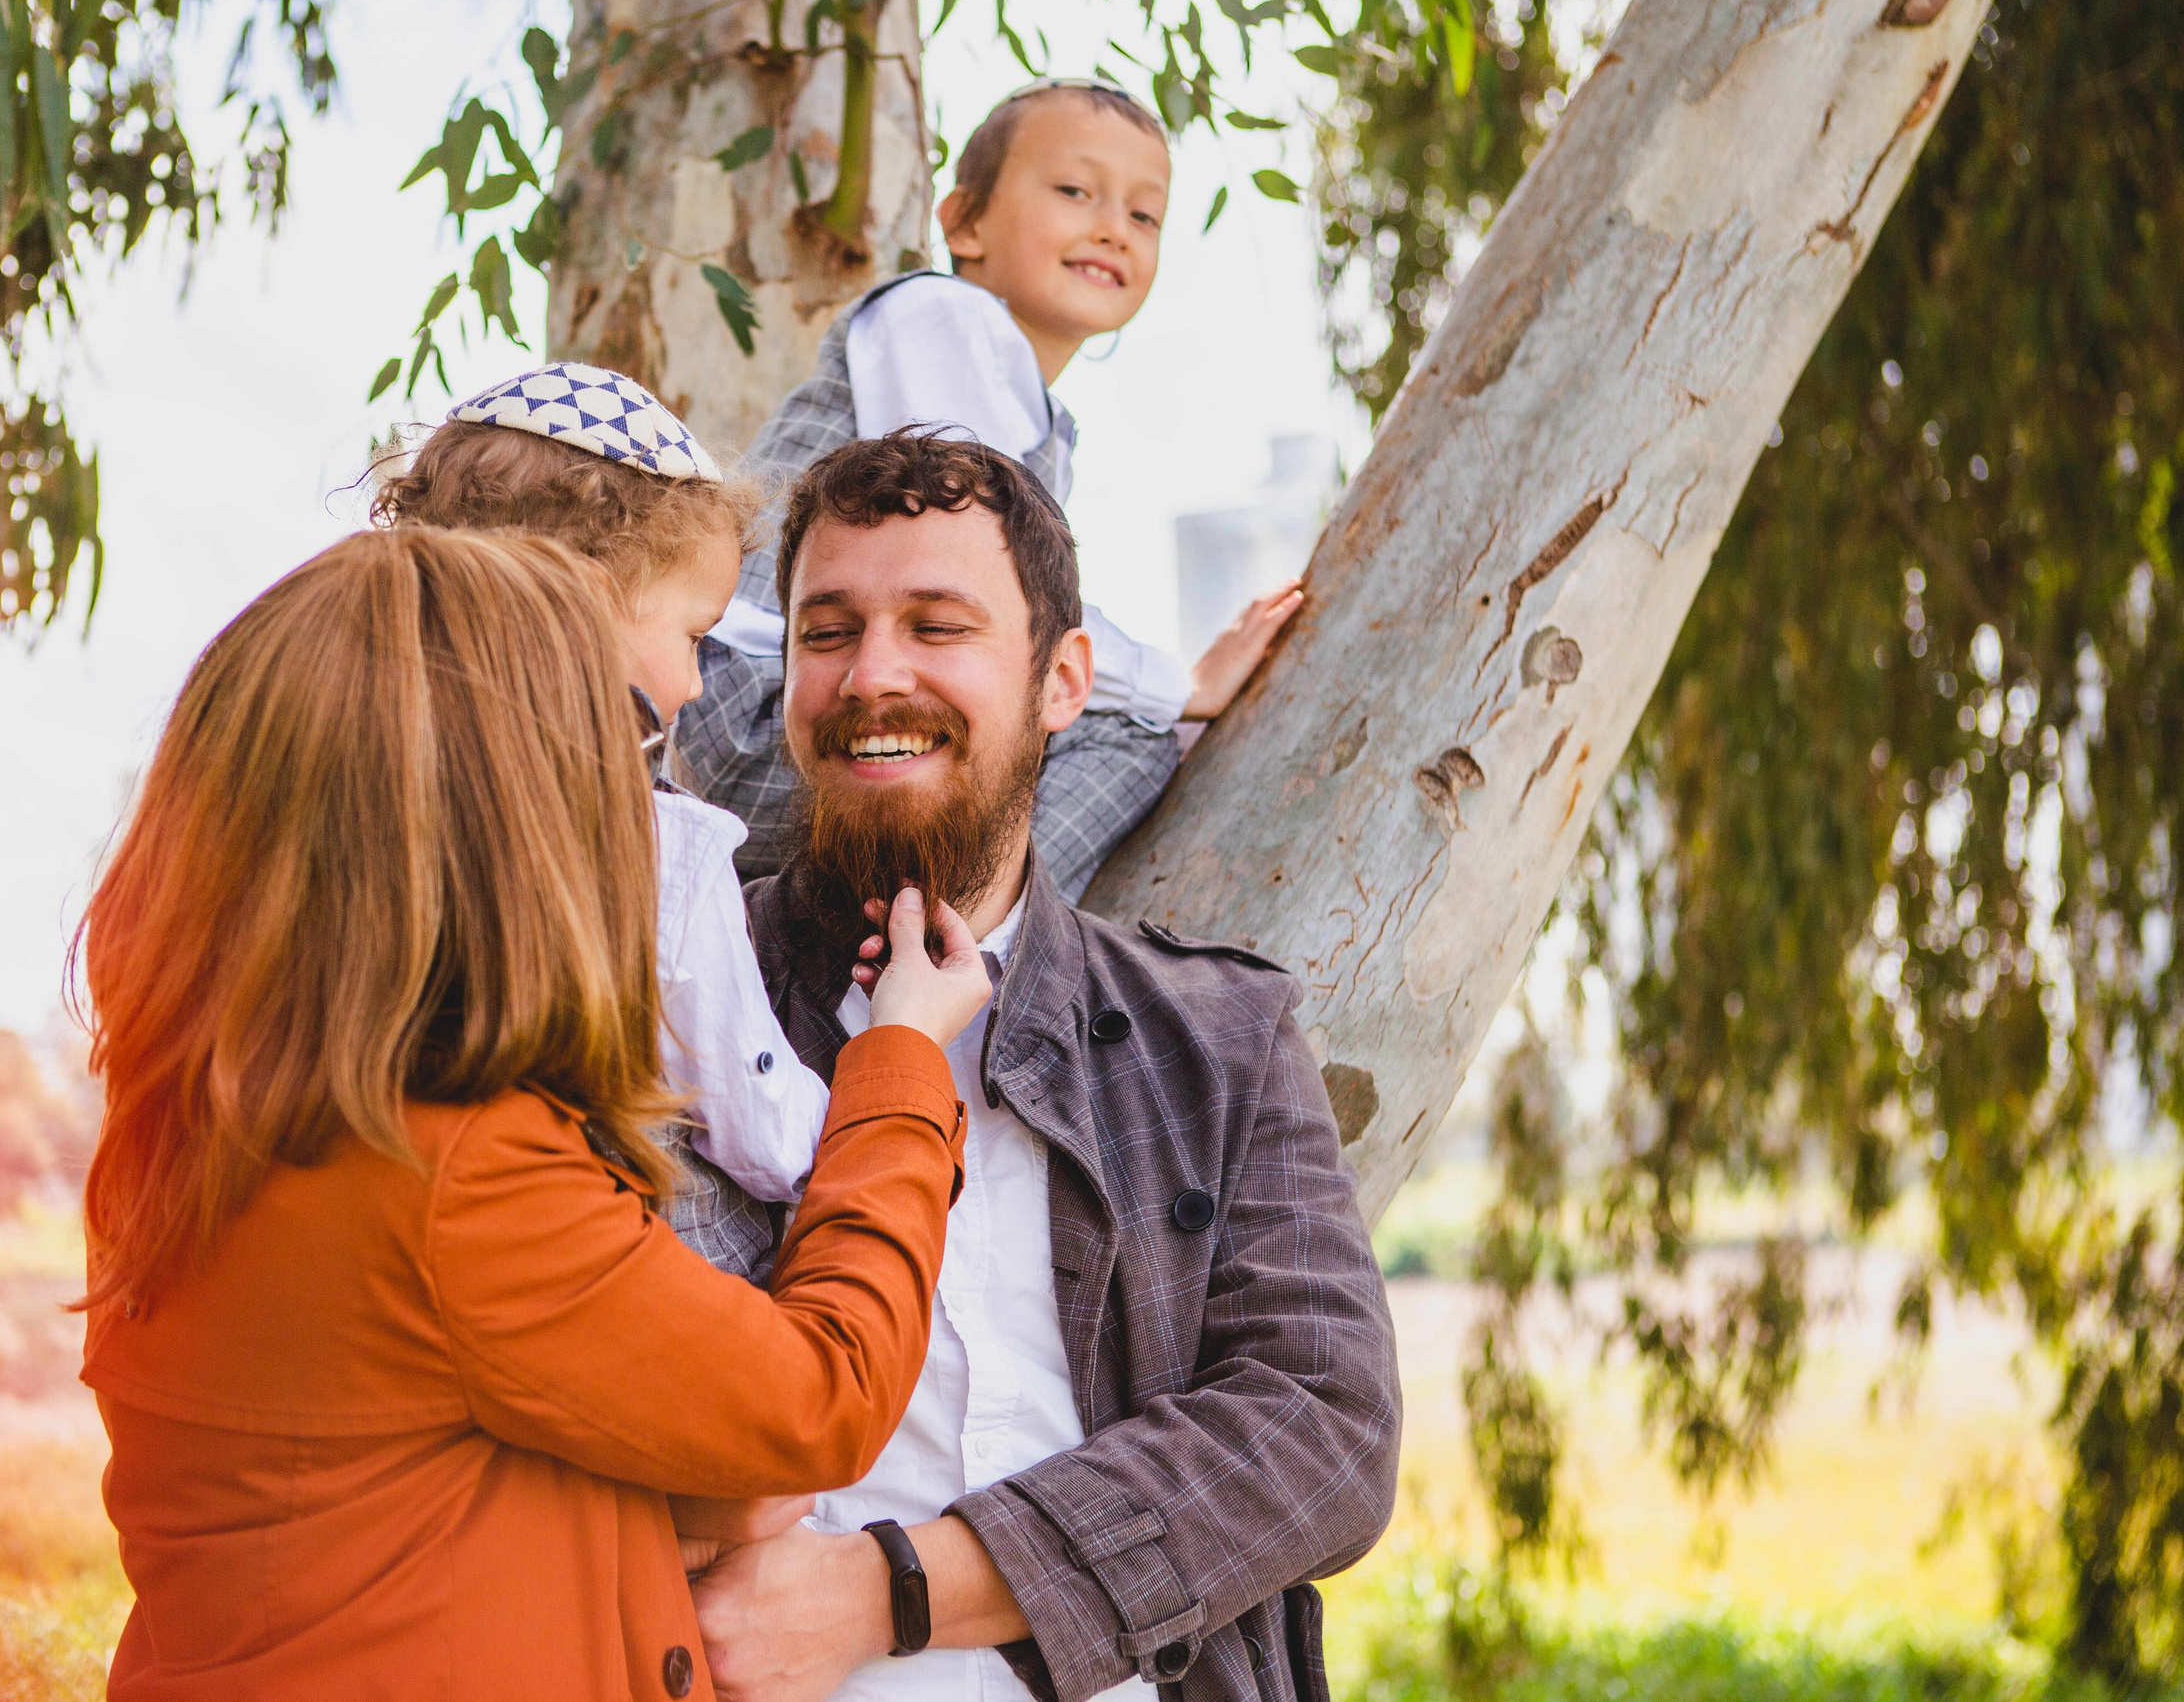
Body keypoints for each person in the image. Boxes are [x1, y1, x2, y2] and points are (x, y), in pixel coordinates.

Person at [73, 525, 996, 1700]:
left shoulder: (208, 1117)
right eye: (628, 742)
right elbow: (820, 1396)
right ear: (504, 815)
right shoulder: (456, 1174)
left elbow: (438, 1445)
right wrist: (901, 1061)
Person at [689, 435, 1402, 1702]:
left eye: (937, 625)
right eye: (827, 632)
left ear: (1062, 680)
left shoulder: (1219, 1037)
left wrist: (887, 1590)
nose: (873, 677)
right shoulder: (671, 996)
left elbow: (1323, 1432)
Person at [675, 77, 1306, 891]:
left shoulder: (1029, 408)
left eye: (1143, 215)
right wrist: (1178, 685)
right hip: (754, 716)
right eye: (1076, 191)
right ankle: (980, 947)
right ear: (963, 221)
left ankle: (907, 938)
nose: (1113, 228)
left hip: (790, 721)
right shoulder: (940, 316)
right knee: (1130, 732)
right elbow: (1005, 579)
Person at [371, 362, 839, 1279]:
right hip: (659, 1282)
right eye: (694, 636)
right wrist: (892, 1076)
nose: (701, 683)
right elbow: (771, 1135)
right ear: (580, 603)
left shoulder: (375, 794)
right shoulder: (655, 844)